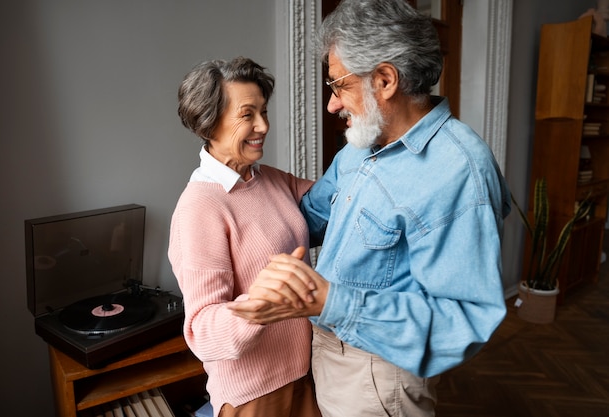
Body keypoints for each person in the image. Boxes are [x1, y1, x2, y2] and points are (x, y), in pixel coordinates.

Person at [228, 1, 512, 416]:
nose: (332, 105)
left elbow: (464, 321)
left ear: (384, 79)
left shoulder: (458, 171)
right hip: (326, 353)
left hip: (379, 377)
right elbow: (309, 217)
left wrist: (330, 302)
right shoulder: (360, 149)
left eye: (338, 85)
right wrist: (234, 190)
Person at [168, 56, 321, 417]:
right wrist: (258, 306)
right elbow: (202, 330)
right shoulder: (200, 207)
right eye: (247, 114)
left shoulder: (268, 178)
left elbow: (335, 200)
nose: (263, 125)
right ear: (209, 122)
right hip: (255, 394)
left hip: (307, 372)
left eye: (264, 111)